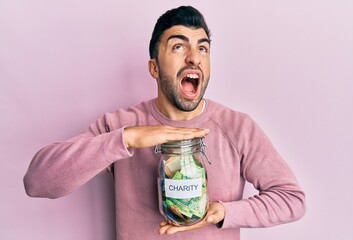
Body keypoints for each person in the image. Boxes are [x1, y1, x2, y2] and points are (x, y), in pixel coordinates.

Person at [24, 5, 306, 240]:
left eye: (203, 48)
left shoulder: (237, 127)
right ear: (154, 68)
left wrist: (224, 213)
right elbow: (38, 182)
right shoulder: (121, 124)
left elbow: (292, 200)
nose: (194, 57)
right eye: (179, 46)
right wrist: (127, 139)